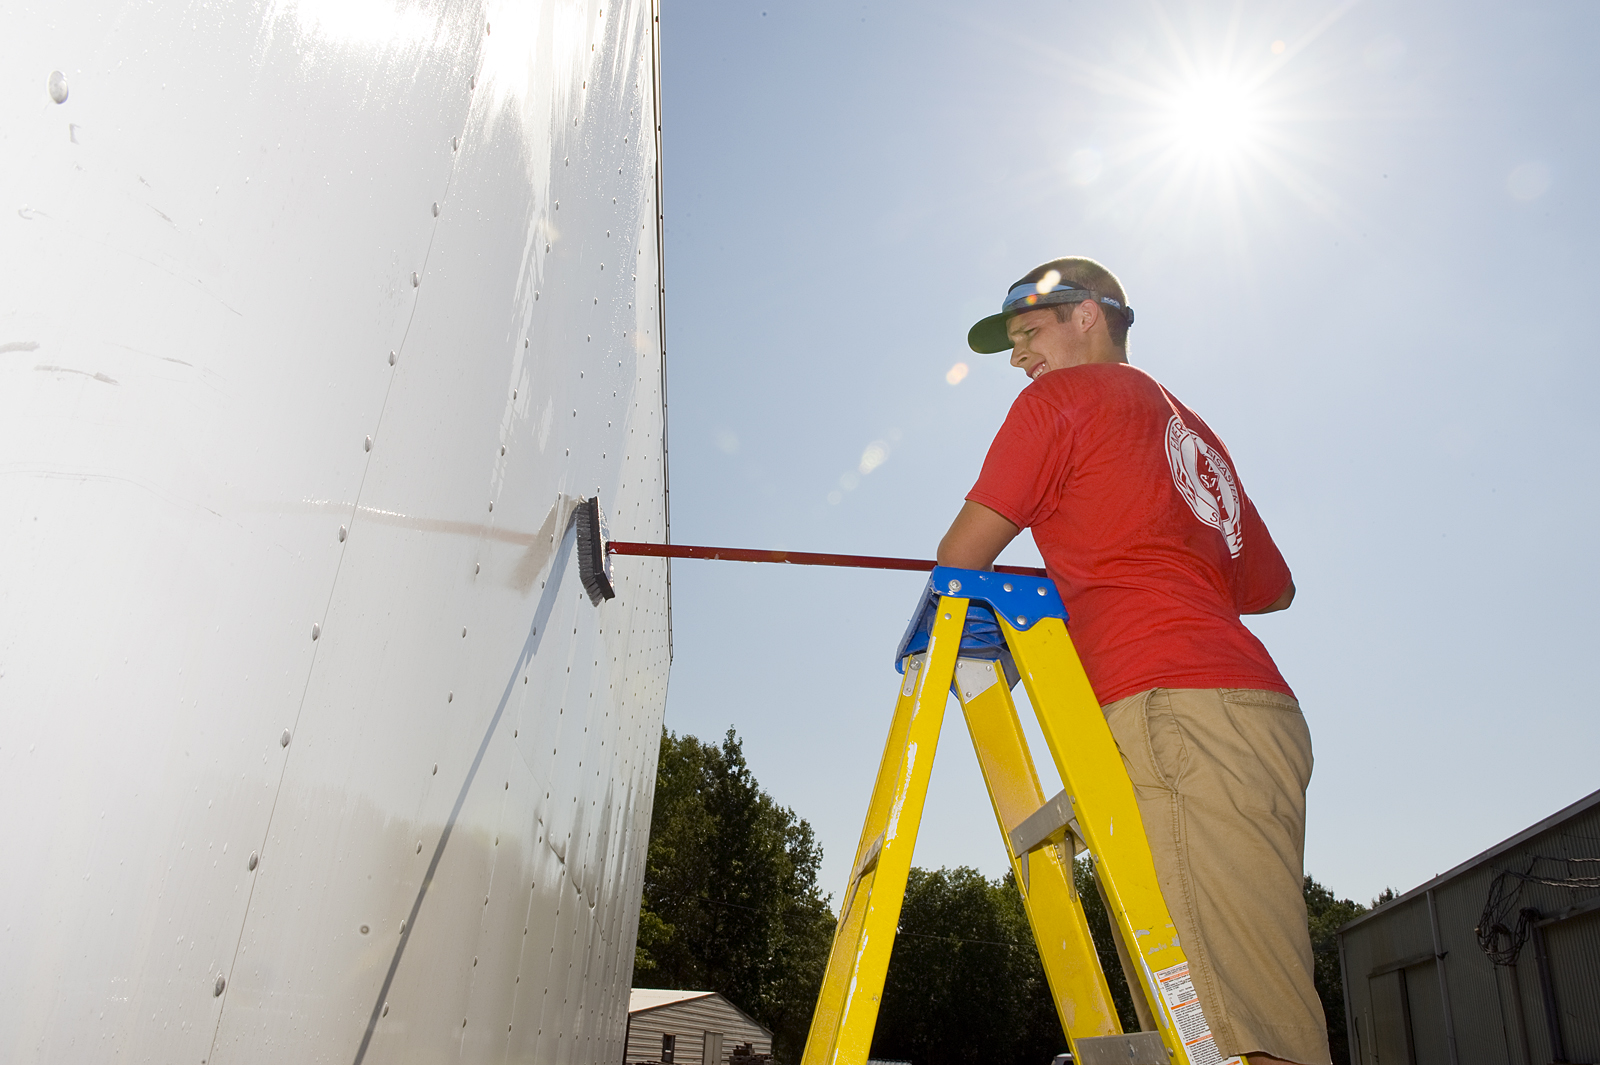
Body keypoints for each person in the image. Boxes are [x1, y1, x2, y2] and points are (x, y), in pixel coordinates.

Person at [936, 257, 1329, 1065]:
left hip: (1175, 717)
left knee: (1237, 1036)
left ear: (1088, 315)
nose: (1018, 358)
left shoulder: (1058, 400)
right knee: (1210, 1019)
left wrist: (1100, 565)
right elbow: (1275, 587)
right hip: (1240, 715)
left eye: (1027, 333)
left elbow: (957, 558)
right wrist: (1127, 549)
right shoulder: (1193, 431)